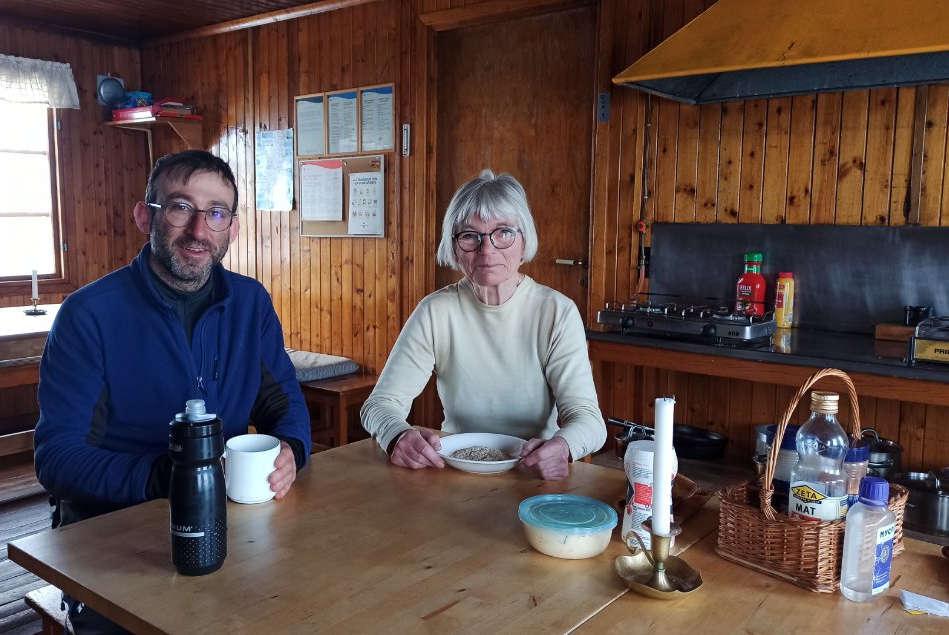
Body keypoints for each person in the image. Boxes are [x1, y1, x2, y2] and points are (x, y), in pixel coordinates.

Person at [34, 150, 311, 633]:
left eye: (217, 213)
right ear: (146, 216)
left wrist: (291, 450)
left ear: (233, 228)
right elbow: (57, 459)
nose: (199, 231)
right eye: (181, 208)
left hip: (232, 519)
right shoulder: (89, 315)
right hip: (112, 536)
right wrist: (172, 477)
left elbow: (282, 402)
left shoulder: (251, 302)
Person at [360, 169, 605, 480]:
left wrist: (563, 446)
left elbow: (589, 421)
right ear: (455, 246)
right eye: (470, 235)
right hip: (453, 471)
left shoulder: (556, 312)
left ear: (524, 239)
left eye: (503, 232)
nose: (487, 249)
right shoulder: (436, 311)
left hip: (532, 473)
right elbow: (379, 405)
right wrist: (396, 435)